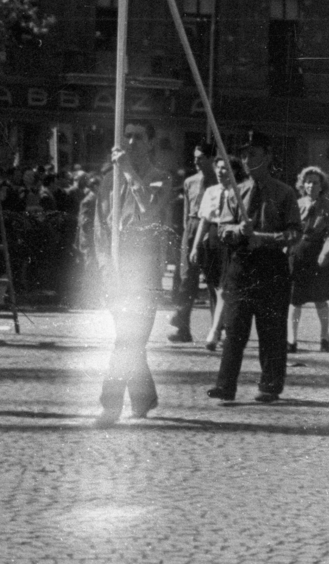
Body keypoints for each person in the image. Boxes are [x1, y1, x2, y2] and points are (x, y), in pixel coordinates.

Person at [93, 120, 175, 425]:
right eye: (126, 136)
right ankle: (144, 397)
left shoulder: (160, 179)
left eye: (138, 137)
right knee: (129, 339)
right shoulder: (107, 181)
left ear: (151, 143)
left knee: (128, 339)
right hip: (116, 270)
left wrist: (128, 171)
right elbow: (100, 229)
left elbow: (148, 211)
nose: (130, 142)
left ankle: (110, 404)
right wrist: (104, 268)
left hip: (145, 271)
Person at [208, 133, 299, 404]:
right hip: (242, 265)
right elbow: (222, 229)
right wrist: (238, 230)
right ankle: (225, 385)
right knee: (234, 327)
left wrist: (266, 238)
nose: (247, 161)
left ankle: (270, 385)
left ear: (268, 156)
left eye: (254, 155)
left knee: (271, 328)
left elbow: (295, 233)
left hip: (272, 266)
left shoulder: (284, 193)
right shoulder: (236, 193)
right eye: (244, 156)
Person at [190, 154, 243, 351]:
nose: (221, 172)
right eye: (218, 168)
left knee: (224, 288)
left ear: (234, 171)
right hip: (212, 239)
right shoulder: (211, 191)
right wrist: (196, 247)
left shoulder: (239, 192)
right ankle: (220, 327)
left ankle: (214, 332)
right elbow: (203, 220)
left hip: (230, 238)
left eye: (225, 168)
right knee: (215, 288)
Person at [167, 143, 215, 343]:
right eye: (195, 157)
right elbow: (187, 212)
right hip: (192, 227)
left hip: (212, 228)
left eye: (201, 157)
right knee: (185, 279)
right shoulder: (190, 182)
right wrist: (188, 235)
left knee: (214, 281)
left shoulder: (219, 180)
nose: (196, 161)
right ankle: (182, 328)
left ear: (212, 158)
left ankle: (217, 330)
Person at [288, 165, 329, 353]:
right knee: (295, 300)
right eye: (307, 182)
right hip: (298, 253)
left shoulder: (328, 206)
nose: (310, 185)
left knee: (320, 299)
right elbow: (290, 228)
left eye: (315, 182)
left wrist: (325, 254)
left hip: (318, 255)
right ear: (303, 184)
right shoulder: (297, 203)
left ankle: (325, 337)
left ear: (322, 185)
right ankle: (292, 340)